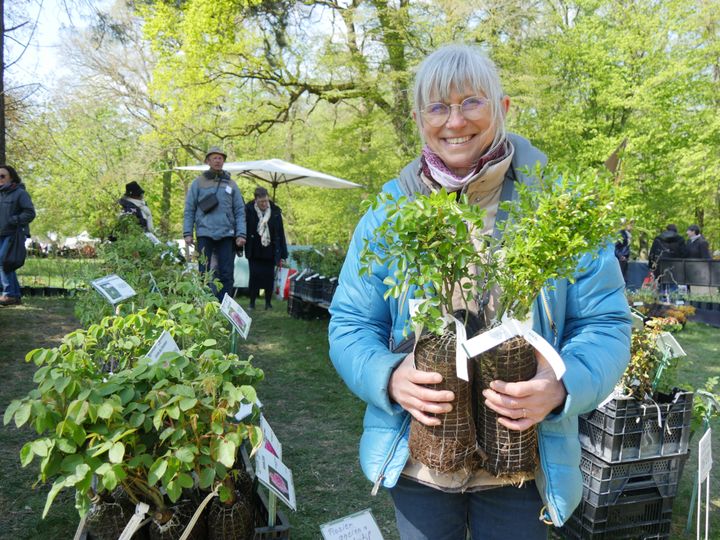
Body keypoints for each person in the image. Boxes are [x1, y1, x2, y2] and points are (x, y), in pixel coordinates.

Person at [328, 44, 631, 539]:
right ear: (418, 118)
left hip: (522, 461)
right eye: (438, 107)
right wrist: (388, 377)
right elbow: (351, 324)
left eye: (472, 102)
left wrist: (561, 385)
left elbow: (606, 323)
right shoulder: (389, 211)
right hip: (420, 457)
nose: (455, 121)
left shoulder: (555, 209)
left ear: (503, 109)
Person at [183, 146, 246, 301]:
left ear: (223, 161)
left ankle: (224, 305)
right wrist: (188, 232)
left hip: (226, 234)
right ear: (208, 161)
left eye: (221, 158)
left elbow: (239, 210)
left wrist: (241, 234)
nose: (218, 160)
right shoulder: (198, 183)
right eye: (214, 158)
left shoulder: (231, 184)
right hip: (205, 233)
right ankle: (204, 303)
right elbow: (189, 208)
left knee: (226, 272)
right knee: (203, 271)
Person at [244, 186, 288, 310]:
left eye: (265, 201)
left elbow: (280, 232)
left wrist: (283, 253)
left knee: (269, 277)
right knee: (254, 276)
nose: (264, 204)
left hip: (270, 250)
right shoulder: (248, 210)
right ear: (255, 200)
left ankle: (268, 303)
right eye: (261, 201)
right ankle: (252, 302)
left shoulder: (274, 212)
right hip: (254, 249)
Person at [0, 165, 36, 306]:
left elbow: (30, 213)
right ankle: (15, 296)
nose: (0, 179)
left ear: (11, 178)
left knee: (3, 261)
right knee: (7, 264)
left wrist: (14, 220)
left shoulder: (20, 193)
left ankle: (8, 294)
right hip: (1, 234)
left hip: (13, 234)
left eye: (2, 176)